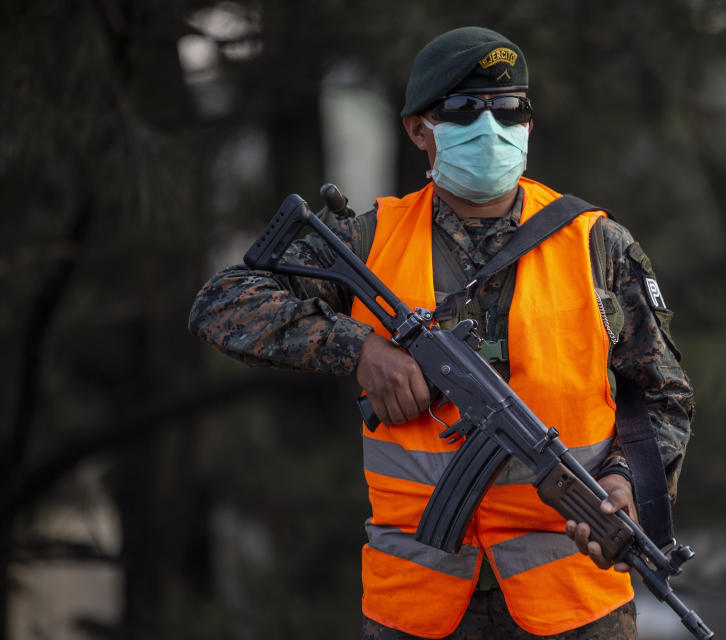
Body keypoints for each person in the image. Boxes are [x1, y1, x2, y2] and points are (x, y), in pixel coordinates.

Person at [189, 26, 694, 640]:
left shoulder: (598, 245)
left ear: (529, 123)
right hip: (416, 600)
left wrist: (622, 482)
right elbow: (222, 302)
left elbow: (662, 396)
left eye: (510, 109)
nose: (492, 128)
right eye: (464, 110)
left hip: (573, 602)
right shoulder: (370, 239)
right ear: (418, 129)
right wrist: (359, 349)